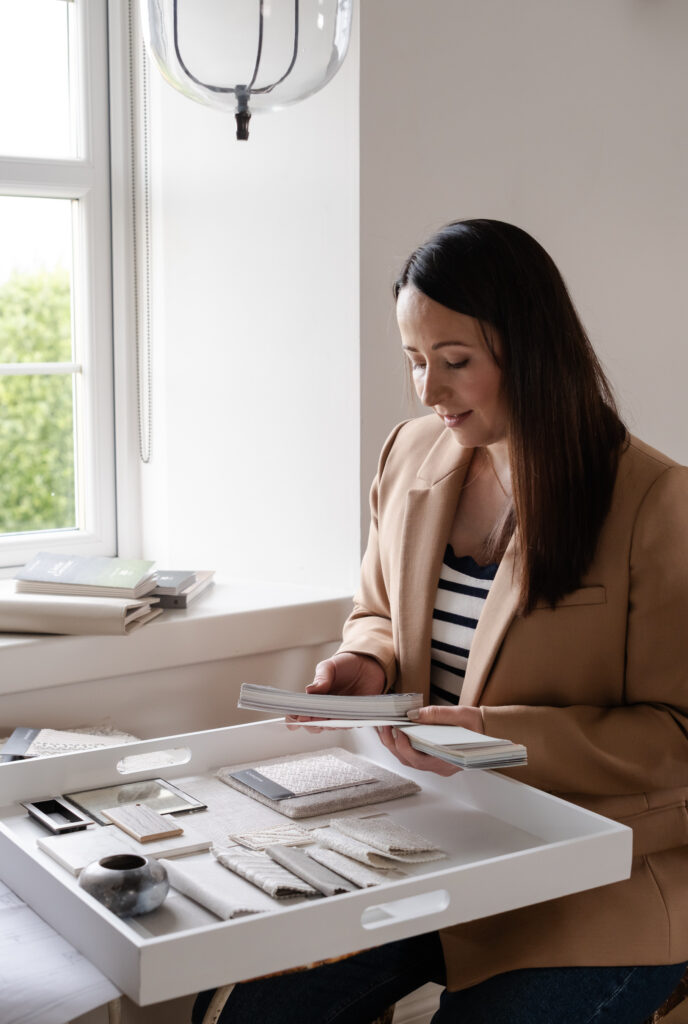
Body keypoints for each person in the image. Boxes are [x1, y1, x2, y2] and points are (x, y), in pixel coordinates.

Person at [193, 219, 688, 1023]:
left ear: (530, 350)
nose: (428, 390)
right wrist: (371, 661)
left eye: (455, 362)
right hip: (435, 850)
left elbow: (677, 732)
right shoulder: (410, 452)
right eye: (415, 361)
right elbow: (379, 609)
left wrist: (491, 735)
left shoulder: (656, 501)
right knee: (257, 1012)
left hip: (602, 878)